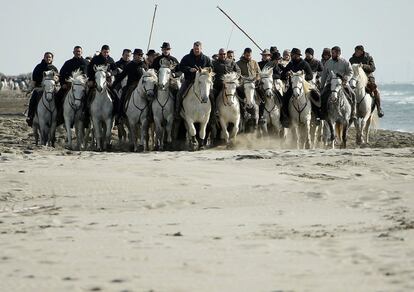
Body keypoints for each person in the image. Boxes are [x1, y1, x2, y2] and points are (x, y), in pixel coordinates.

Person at [175, 41, 212, 119]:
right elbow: (180, 67)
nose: (196, 50)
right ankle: (177, 112)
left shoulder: (206, 59)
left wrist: (204, 70)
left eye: (198, 49)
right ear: (193, 48)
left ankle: (213, 115)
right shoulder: (186, 57)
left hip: (203, 82)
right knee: (179, 95)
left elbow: (211, 68)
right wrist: (189, 69)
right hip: (189, 80)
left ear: (201, 49)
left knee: (212, 95)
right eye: (195, 48)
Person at [280, 48, 313, 127]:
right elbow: (282, 75)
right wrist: (286, 74)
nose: (292, 56)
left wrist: (302, 77)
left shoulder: (304, 64)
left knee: (315, 96)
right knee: (284, 99)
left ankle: (317, 115)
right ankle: (286, 118)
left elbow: (310, 75)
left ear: (298, 55)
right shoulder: (290, 64)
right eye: (292, 55)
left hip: (304, 86)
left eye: (294, 55)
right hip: (292, 87)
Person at [55, 46, 89, 125]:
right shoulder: (68, 63)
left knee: (90, 99)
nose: (78, 53)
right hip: (69, 86)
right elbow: (62, 74)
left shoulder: (86, 63)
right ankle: (59, 117)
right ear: (73, 52)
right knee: (58, 97)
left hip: (83, 87)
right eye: (76, 51)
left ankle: (87, 118)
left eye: (79, 51)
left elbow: (90, 74)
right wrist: (63, 84)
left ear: (81, 52)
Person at [320, 46, 355, 120]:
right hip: (330, 84)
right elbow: (324, 75)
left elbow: (350, 72)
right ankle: (323, 114)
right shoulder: (328, 62)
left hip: (342, 83)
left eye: (333, 53)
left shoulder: (345, 62)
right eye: (331, 53)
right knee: (322, 96)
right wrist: (322, 86)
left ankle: (353, 114)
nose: (331, 55)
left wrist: (346, 78)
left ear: (338, 53)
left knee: (353, 95)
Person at [86, 45, 119, 122]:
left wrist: (110, 73)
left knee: (116, 96)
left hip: (107, 82)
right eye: (104, 52)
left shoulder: (111, 60)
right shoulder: (95, 59)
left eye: (107, 52)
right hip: (95, 82)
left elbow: (116, 70)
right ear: (101, 51)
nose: (106, 53)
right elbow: (89, 70)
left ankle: (116, 114)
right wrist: (91, 80)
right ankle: (86, 114)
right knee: (87, 96)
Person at [349, 45, 384, 117]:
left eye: (357, 51)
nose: (356, 52)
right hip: (356, 77)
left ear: (362, 52)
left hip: (367, 76)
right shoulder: (351, 59)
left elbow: (373, 68)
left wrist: (363, 66)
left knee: (375, 90)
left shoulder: (369, 57)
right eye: (355, 51)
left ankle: (379, 108)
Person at [112, 49, 148, 118]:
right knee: (123, 95)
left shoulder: (143, 65)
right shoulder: (129, 65)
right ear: (134, 56)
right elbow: (121, 76)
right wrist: (113, 85)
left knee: (150, 95)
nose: (140, 56)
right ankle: (121, 114)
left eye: (141, 55)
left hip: (141, 86)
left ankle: (150, 115)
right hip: (131, 85)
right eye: (138, 55)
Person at [26, 52, 59, 127]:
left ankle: (59, 116)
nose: (48, 58)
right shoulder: (39, 67)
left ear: (52, 58)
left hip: (51, 88)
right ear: (44, 58)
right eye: (47, 57)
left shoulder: (54, 68)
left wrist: (56, 79)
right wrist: (30, 89)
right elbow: (34, 79)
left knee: (59, 97)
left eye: (50, 57)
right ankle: (30, 116)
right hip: (40, 88)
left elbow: (58, 78)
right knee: (33, 98)